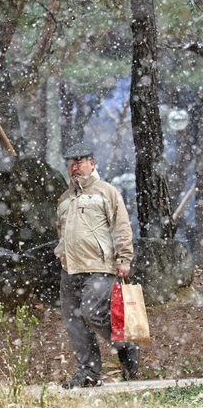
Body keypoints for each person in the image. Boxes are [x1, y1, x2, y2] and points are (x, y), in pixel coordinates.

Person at [54, 142, 139, 389]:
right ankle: (89, 372)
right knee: (74, 322)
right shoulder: (64, 198)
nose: (74, 168)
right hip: (70, 268)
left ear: (92, 163)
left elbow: (121, 226)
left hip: (100, 266)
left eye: (79, 162)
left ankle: (126, 346)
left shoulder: (107, 192)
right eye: (70, 163)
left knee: (92, 313)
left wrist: (123, 259)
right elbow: (61, 231)